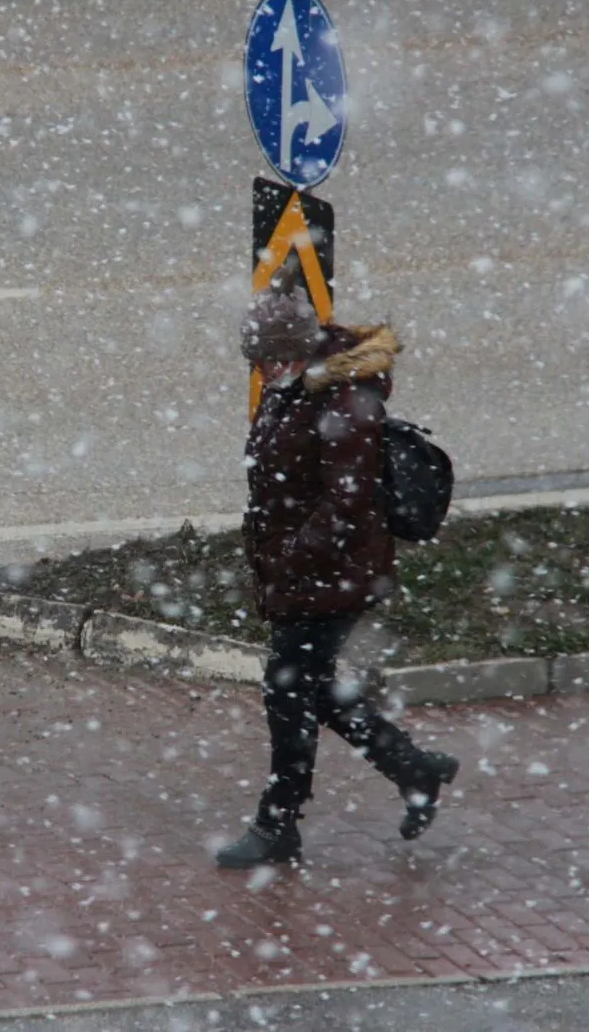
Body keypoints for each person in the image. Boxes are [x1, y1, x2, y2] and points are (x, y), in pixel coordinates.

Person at [216, 257, 459, 869]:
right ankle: (415, 770)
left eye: (269, 361)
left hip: (335, 576)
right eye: (257, 363)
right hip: (310, 573)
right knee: (313, 690)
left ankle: (278, 825)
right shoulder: (297, 388)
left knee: (288, 690)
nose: (264, 373)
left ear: (296, 352)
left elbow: (345, 506)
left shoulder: (346, 405)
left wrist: (292, 559)